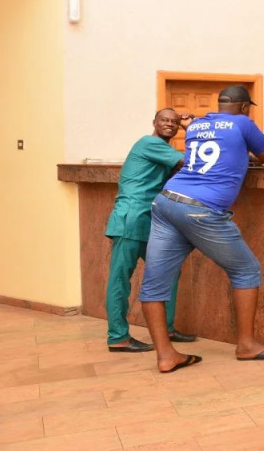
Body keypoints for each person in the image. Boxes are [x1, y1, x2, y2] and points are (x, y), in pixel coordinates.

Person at [138, 84, 264, 373]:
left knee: (154, 283)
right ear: (244, 107)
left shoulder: (196, 126)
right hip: (201, 209)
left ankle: (166, 356)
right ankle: (246, 345)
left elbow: (218, 153)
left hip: (166, 201)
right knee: (246, 270)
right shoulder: (243, 123)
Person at [104, 108, 196, 353]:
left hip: (148, 220)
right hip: (131, 218)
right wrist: (193, 128)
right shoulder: (149, 143)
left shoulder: (163, 150)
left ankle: (166, 328)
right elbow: (190, 161)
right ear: (154, 122)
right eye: (164, 120)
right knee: (120, 279)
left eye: (174, 122)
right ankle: (118, 337)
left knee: (169, 271)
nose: (170, 124)